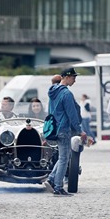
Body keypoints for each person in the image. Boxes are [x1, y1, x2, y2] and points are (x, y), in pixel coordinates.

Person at [42, 68, 87, 196]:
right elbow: (71, 114)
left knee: (63, 157)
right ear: (66, 77)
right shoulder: (66, 94)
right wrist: (80, 130)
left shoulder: (53, 91)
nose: (75, 80)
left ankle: (51, 179)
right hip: (64, 128)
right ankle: (58, 187)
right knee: (64, 158)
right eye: (73, 77)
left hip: (55, 127)